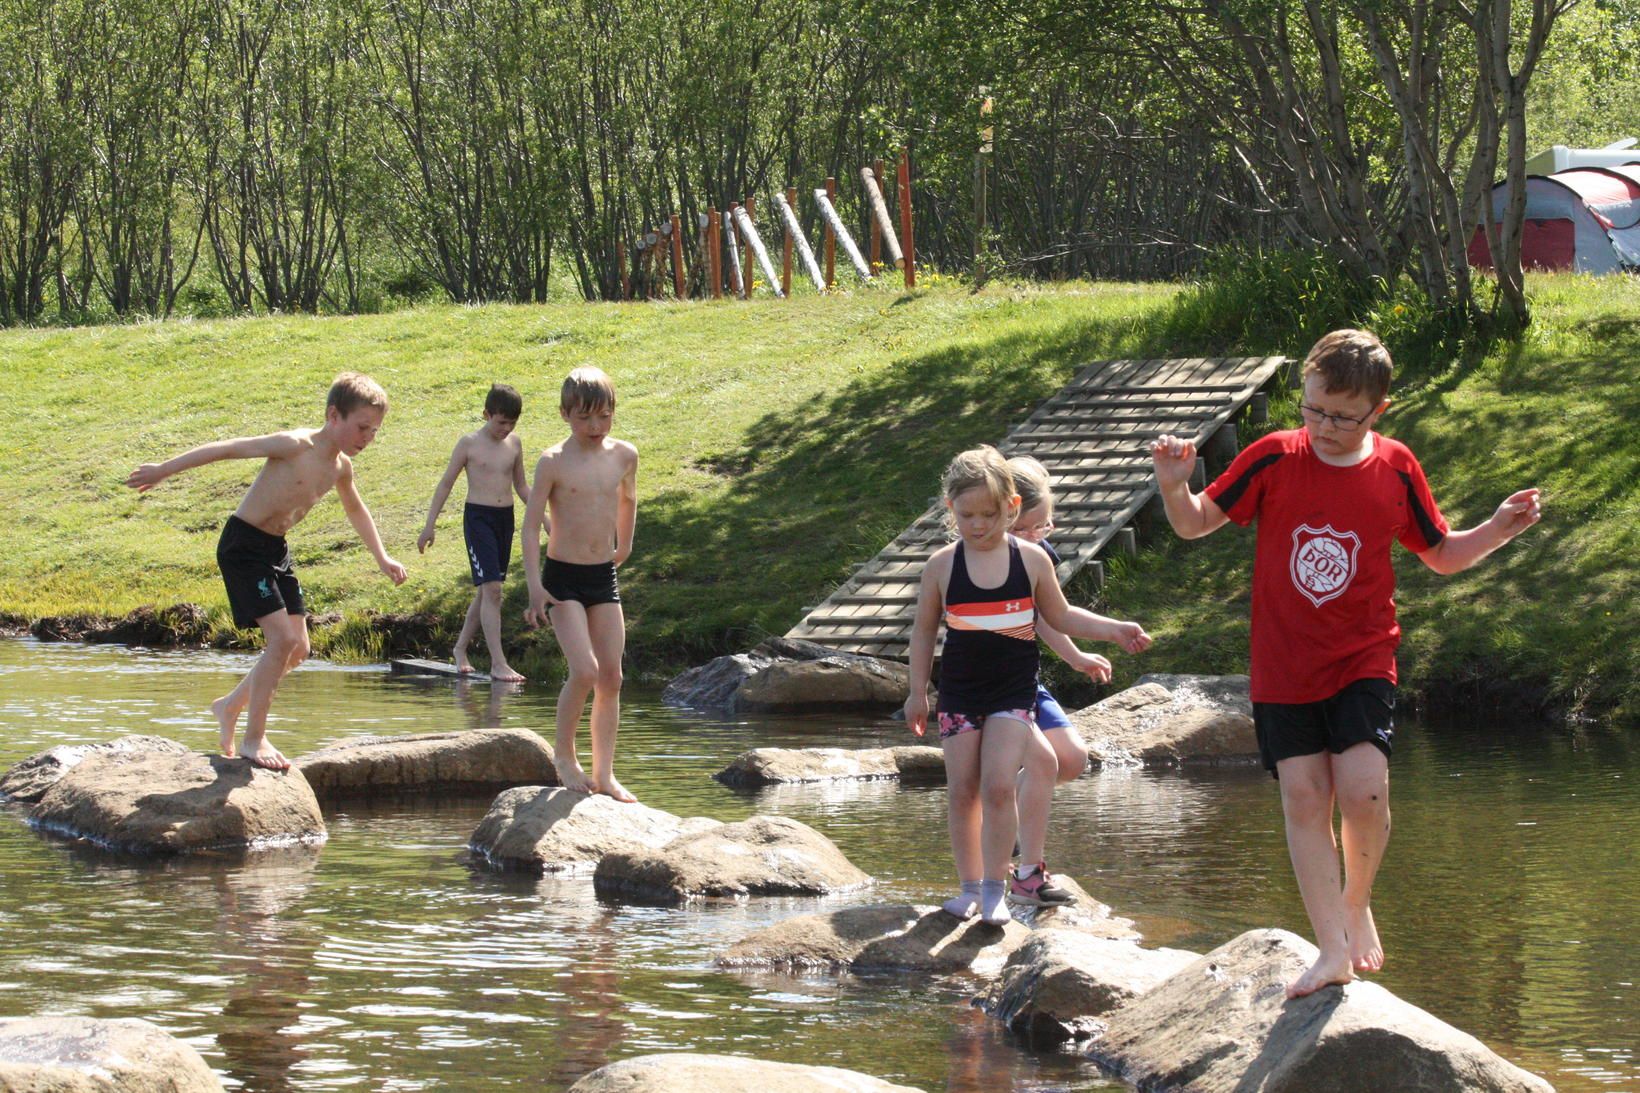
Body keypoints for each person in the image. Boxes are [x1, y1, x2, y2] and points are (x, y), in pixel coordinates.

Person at [1150, 328, 1541, 998]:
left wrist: (1498, 528)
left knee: (1363, 792)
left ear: (1376, 411)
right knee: (1305, 799)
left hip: (1362, 654)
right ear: (1303, 390)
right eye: (1313, 408)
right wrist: (1173, 485)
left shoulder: (1394, 468)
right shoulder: (1273, 455)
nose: (1324, 426)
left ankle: (1356, 900)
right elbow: (1194, 523)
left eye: (1341, 415)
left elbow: (1441, 553)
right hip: (1283, 664)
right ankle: (1331, 947)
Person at [905, 446, 1152, 925]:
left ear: (1011, 508)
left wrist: (1114, 628)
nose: (977, 525)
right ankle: (969, 888)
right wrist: (918, 692)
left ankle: (998, 889)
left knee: (999, 786)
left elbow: (1059, 615)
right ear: (949, 510)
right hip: (959, 693)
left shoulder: (1032, 560)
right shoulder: (942, 565)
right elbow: (922, 632)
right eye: (966, 514)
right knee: (963, 790)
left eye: (990, 514)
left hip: (1012, 694)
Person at [126, 372, 408, 770]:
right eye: (362, 427)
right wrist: (163, 470)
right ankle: (252, 739)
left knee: (300, 649)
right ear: (333, 416)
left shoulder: (341, 468)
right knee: (281, 640)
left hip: (276, 550)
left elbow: (355, 509)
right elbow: (225, 449)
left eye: (374, 431)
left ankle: (229, 707)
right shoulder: (293, 445)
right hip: (243, 546)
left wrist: (382, 558)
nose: (367, 438)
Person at [523, 367, 639, 802]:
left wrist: (623, 545)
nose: (595, 427)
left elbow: (628, 498)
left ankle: (605, 774)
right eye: (584, 418)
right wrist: (535, 587)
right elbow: (531, 526)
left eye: (604, 417)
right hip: (562, 580)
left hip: (601, 575)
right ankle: (564, 756)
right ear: (565, 414)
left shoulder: (624, 455)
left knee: (611, 676)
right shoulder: (553, 461)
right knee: (585, 670)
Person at [1006, 455, 1110, 904]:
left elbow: (1049, 615)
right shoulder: (980, 561)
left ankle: (1005, 805)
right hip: (991, 687)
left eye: (1043, 528)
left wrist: (1074, 656)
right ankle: (1027, 872)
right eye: (1024, 529)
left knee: (1072, 759)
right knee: (1047, 762)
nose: (1034, 538)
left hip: (1027, 680)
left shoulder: (1037, 556)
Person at [416, 383, 530, 681]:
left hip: (505, 518)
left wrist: (542, 516)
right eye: (501, 421)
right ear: (486, 414)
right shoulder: (468, 444)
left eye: (512, 423)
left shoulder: (515, 444)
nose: (506, 428)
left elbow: (521, 486)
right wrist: (430, 525)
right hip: (478, 519)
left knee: (487, 591)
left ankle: (460, 648)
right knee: (493, 590)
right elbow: (445, 484)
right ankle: (498, 663)